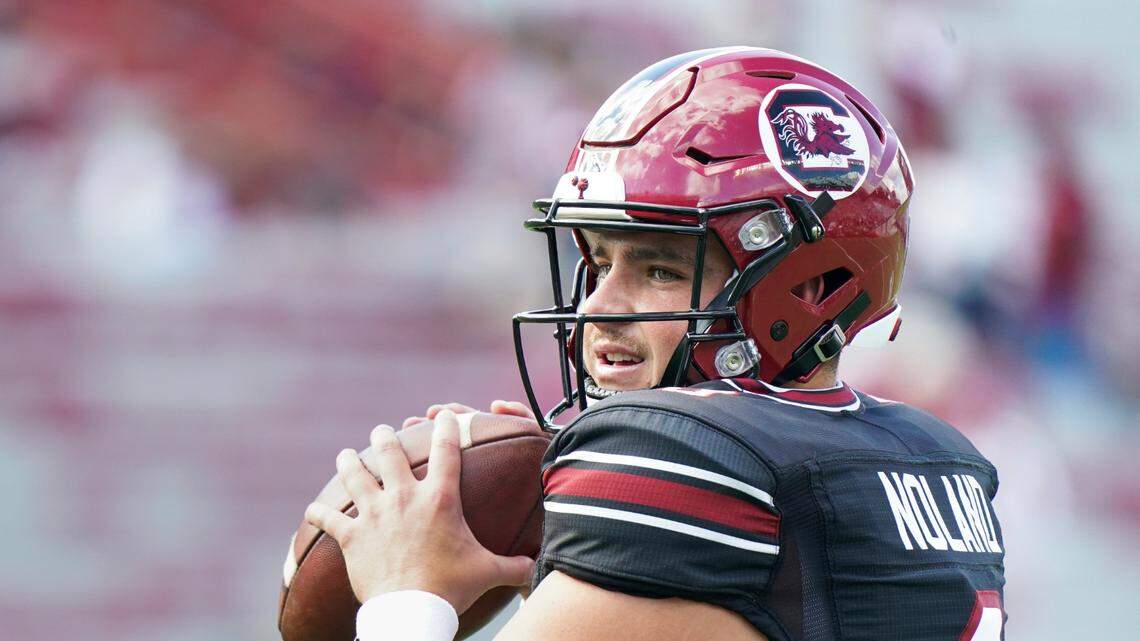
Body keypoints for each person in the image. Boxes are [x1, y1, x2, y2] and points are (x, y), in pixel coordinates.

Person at [304, 47, 1006, 641]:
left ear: (808, 286)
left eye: (661, 268)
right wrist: (565, 564)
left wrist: (406, 591)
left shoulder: (681, 459)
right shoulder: (938, 457)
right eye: (598, 262)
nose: (600, 306)